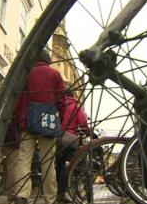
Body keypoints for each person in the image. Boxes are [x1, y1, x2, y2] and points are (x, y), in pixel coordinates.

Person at [11, 49, 66, 204]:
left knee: (24, 159)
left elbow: (19, 98)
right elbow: (62, 101)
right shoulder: (55, 75)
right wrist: (58, 120)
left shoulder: (27, 73)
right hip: (48, 123)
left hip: (28, 120)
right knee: (48, 162)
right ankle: (50, 198)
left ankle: (22, 195)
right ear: (48, 60)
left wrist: (19, 118)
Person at [56, 91, 90, 203]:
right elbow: (83, 124)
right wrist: (88, 132)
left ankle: (55, 190)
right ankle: (63, 192)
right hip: (70, 139)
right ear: (74, 96)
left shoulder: (59, 105)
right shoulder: (75, 107)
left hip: (56, 138)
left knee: (59, 165)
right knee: (68, 165)